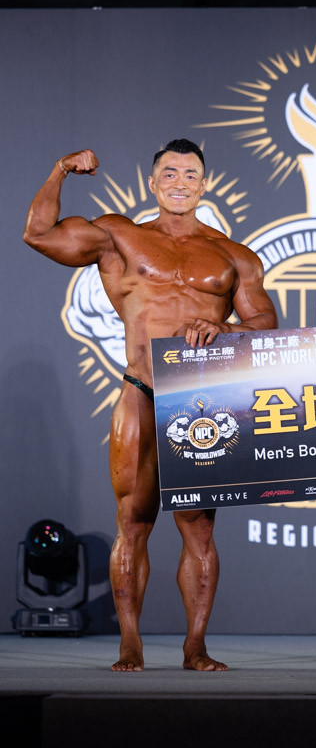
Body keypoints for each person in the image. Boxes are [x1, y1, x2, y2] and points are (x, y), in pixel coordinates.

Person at [23, 139, 277, 672]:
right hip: (141, 391)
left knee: (199, 527)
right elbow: (39, 234)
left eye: (191, 174)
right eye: (170, 173)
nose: (180, 182)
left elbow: (264, 325)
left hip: (203, 403)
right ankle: (130, 644)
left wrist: (227, 327)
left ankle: (195, 646)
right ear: (153, 181)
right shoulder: (120, 235)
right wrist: (59, 170)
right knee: (133, 522)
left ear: (204, 184)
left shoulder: (234, 255)